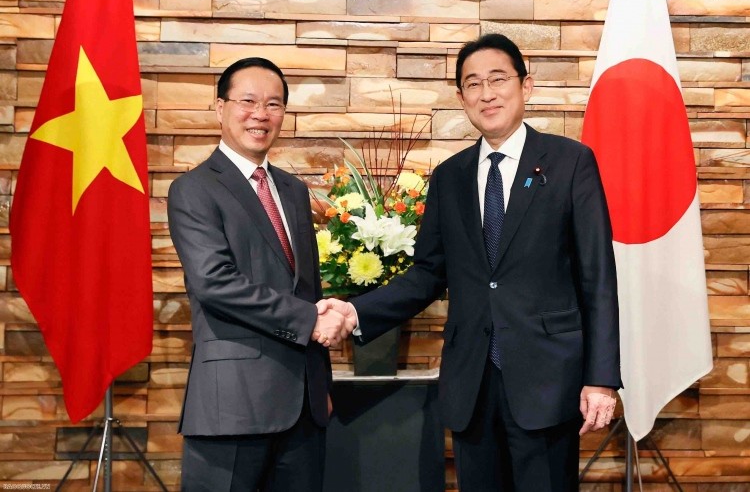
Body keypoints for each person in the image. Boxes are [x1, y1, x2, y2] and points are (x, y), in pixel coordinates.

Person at [324, 34, 621, 491]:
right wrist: (356, 311)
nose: (487, 93)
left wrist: (601, 379)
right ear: (461, 97)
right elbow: (427, 274)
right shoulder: (449, 177)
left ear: (527, 86)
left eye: (498, 79)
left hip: (547, 381)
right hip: (472, 384)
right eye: (473, 84)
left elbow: (597, 276)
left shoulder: (570, 163)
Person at [168, 57, 352, 491]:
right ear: (220, 107)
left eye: (273, 104)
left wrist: (320, 377)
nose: (260, 114)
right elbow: (215, 283)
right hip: (232, 406)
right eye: (247, 101)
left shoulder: (292, 189)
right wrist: (311, 321)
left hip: (304, 408)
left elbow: (307, 289)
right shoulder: (193, 189)